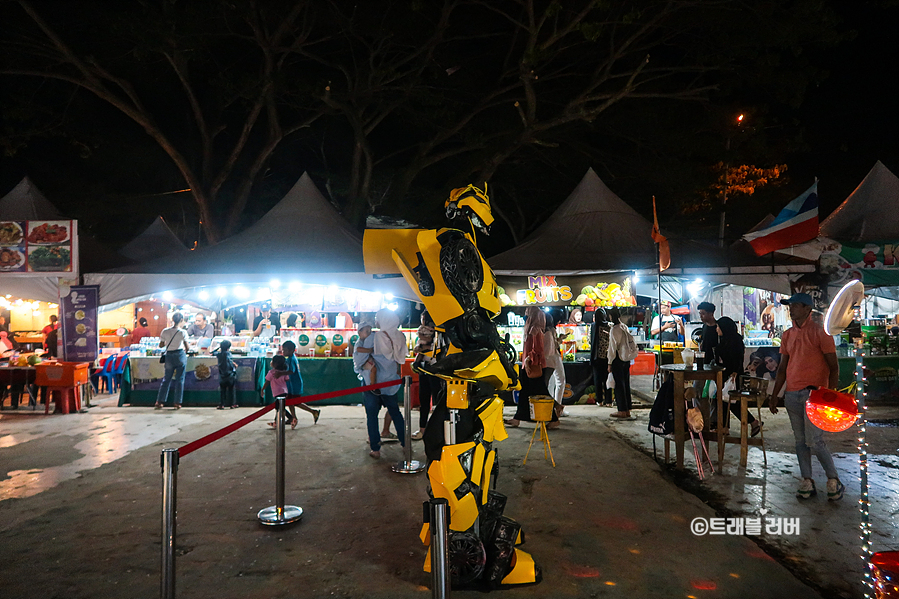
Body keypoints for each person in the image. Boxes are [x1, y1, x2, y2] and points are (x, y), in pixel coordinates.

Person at [769, 293, 844, 502]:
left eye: (794, 305)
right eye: (790, 306)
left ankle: (833, 479)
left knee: (815, 440)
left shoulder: (821, 333)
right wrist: (775, 395)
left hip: (815, 394)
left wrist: (831, 394)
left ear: (807, 309)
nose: (790, 309)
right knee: (800, 441)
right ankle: (807, 480)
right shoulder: (787, 335)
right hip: (792, 393)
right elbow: (782, 367)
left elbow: (833, 367)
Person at [362, 309, 407, 458]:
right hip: (391, 381)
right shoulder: (401, 335)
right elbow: (401, 359)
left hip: (374, 382)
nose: (376, 321)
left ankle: (375, 448)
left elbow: (368, 354)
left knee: (372, 415)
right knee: (395, 412)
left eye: (377, 318)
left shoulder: (378, 336)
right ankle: (405, 442)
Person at [505, 307, 559, 428]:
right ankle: (517, 418)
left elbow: (537, 349)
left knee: (538, 392)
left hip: (533, 365)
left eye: (528, 315)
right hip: (529, 364)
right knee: (527, 392)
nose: (526, 317)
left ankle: (554, 416)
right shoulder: (532, 329)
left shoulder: (535, 330)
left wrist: (529, 358)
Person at [713, 316, 760, 435]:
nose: (716, 329)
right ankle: (725, 427)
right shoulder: (727, 340)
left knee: (730, 402)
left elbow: (736, 360)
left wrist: (733, 372)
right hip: (728, 375)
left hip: (732, 377)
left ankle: (753, 422)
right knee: (726, 402)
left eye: (718, 327)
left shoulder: (734, 342)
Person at [278, 340, 320, 428]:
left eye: (285, 350)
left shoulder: (291, 360)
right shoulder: (290, 359)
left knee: (296, 402)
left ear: (291, 350)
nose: (283, 352)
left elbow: (291, 371)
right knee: (289, 401)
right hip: (291, 385)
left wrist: (281, 374)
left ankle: (313, 412)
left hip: (295, 385)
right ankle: (293, 417)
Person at [155, 312, 190, 410]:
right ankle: (177, 403)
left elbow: (161, 345)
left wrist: (167, 343)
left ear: (172, 320)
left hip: (169, 355)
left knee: (166, 379)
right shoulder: (183, 332)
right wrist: (187, 350)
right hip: (180, 355)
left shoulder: (165, 331)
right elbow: (187, 347)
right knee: (179, 380)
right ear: (182, 320)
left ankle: (160, 401)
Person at [412, 311, 438, 440]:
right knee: (424, 400)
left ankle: (437, 428)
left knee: (437, 402)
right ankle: (422, 429)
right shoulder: (422, 331)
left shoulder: (438, 331)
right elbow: (421, 348)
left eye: (423, 318)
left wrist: (422, 348)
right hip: (424, 368)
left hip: (436, 368)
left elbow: (434, 347)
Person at [607, 307, 634, 418]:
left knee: (619, 385)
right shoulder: (624, 326)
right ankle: (627, 409)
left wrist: (609, 363)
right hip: (626, 359)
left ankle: (622, 410)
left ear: (610, 316)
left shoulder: (614, 330)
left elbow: (612, 348)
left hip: (617, 359)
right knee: (625, 383)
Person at [544, 313, 568, 418]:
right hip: (554, 357)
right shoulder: (551, 331)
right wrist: (560, 339)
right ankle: (557, 407)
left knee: (551, 383)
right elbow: (553, 346)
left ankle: (550, 407)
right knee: (560, 381)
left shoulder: (542, 330)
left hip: (547, 359)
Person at [590, 309, 613, 406]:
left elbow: (590, 341)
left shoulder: (593, 326)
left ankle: (599, 400)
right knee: (607, 379)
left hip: (597, 357)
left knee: (598, 380)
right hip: (608, 357)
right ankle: (609, 401)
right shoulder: (610, 326)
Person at [216, 339, 238, 409]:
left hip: (222, 375)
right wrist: (234, 366)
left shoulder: (219, 355)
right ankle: (232, 404)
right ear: (228, 348)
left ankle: (222, 404)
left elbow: (213, 353)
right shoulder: (229, 354)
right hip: (230, 375)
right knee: (231, 390)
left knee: (223, 391)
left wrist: (218, 349)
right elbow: (230, 362)